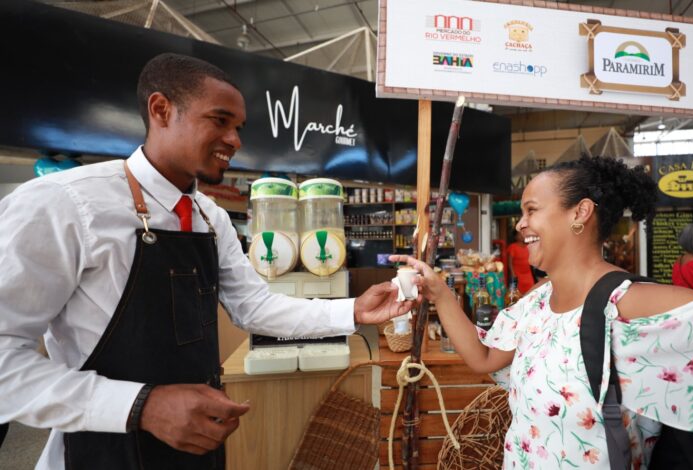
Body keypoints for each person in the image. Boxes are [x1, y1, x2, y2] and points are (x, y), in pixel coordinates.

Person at [0, 53, 414, 470]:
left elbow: (254, 307)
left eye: (238, 128)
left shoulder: (209, 217)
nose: (235, 140)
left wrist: (353, 310)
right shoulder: (64, 205)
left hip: (196, 451)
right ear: (161, 110)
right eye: (219, 120)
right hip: (101, 454)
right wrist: (141, 406)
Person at [392, 155, 693, 469]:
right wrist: (439, 294)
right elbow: (483, 357)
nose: (521, 224)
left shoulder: (632, 305)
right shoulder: (537, 302)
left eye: (531, 209)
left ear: (580, 213)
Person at [506, 228, 535, 294]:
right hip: (517, 274)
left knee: (531, 292)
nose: (522, 236)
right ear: (515, 237)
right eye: (519, 235)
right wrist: (513, 274)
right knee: (518, 293)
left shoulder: (528, 246)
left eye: (523, 234)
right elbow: (509, 263)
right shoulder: (512, 247)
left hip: (528, 274)